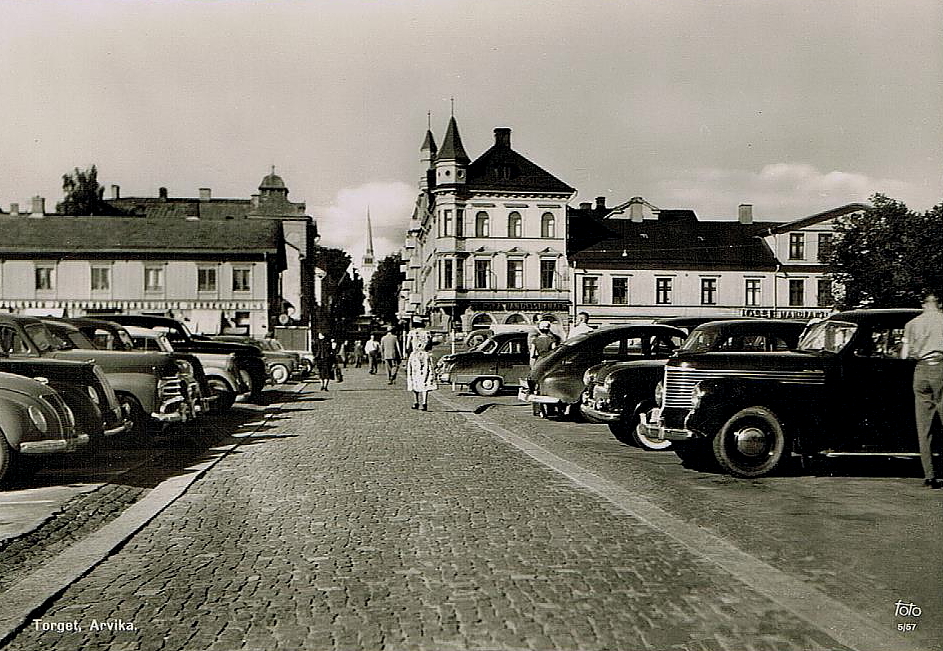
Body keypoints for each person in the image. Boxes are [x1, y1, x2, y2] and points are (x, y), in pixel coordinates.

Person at [901, 292, 943, 489]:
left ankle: (929, 475)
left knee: (924, 426)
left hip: (921, 369)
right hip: (941, 367)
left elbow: (904, 354)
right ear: (939, 303)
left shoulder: (912, 324)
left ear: (923, 304)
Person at [529, 320, 561, 417]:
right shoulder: (552, 340)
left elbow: (532, 354)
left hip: (538, 362)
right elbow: (554, 353)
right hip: (548, 363)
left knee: (536, 387)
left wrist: (533, 365)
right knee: (548, 386)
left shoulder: (535, 340)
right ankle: (550, 410)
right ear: (548, 329)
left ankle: (537, 410)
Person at [406, 339, 437, 411]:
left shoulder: (424, 355)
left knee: (422, 387)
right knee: (417, 387)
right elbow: (409, 364)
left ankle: (421, 403)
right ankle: (419, 402)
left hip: (420, 372)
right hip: (417, 372)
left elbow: (430, 365)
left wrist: (431, 373)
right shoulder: (415, 354)